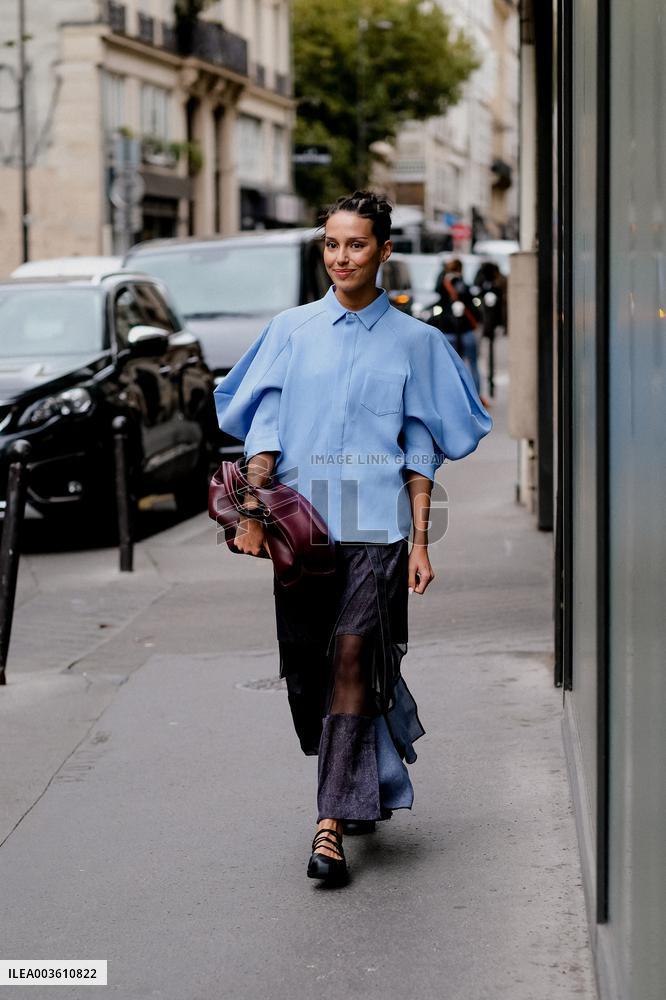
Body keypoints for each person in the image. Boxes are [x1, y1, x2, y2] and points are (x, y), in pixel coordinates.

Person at [214, 191, 492, 887]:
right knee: (307, 673)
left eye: (357, 245)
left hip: (376, 528)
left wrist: (422, 541)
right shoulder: (291, 330)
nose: (342, 257)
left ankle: (329, 824)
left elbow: (421, 446)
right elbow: (265, 430)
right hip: (299, 530)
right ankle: (362, 767)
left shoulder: (416, 343)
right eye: (332, 245)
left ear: (384, 251)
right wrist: (251, 513)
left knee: (349, 658)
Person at [431, 258, 485, 402]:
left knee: (452, 367)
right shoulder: (461, 285)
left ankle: (455, 399)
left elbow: (437, 291)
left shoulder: (446, 285)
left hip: (451, 330)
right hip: (462, 330)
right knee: (472, 364)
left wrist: (445, 276)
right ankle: (475, 398)